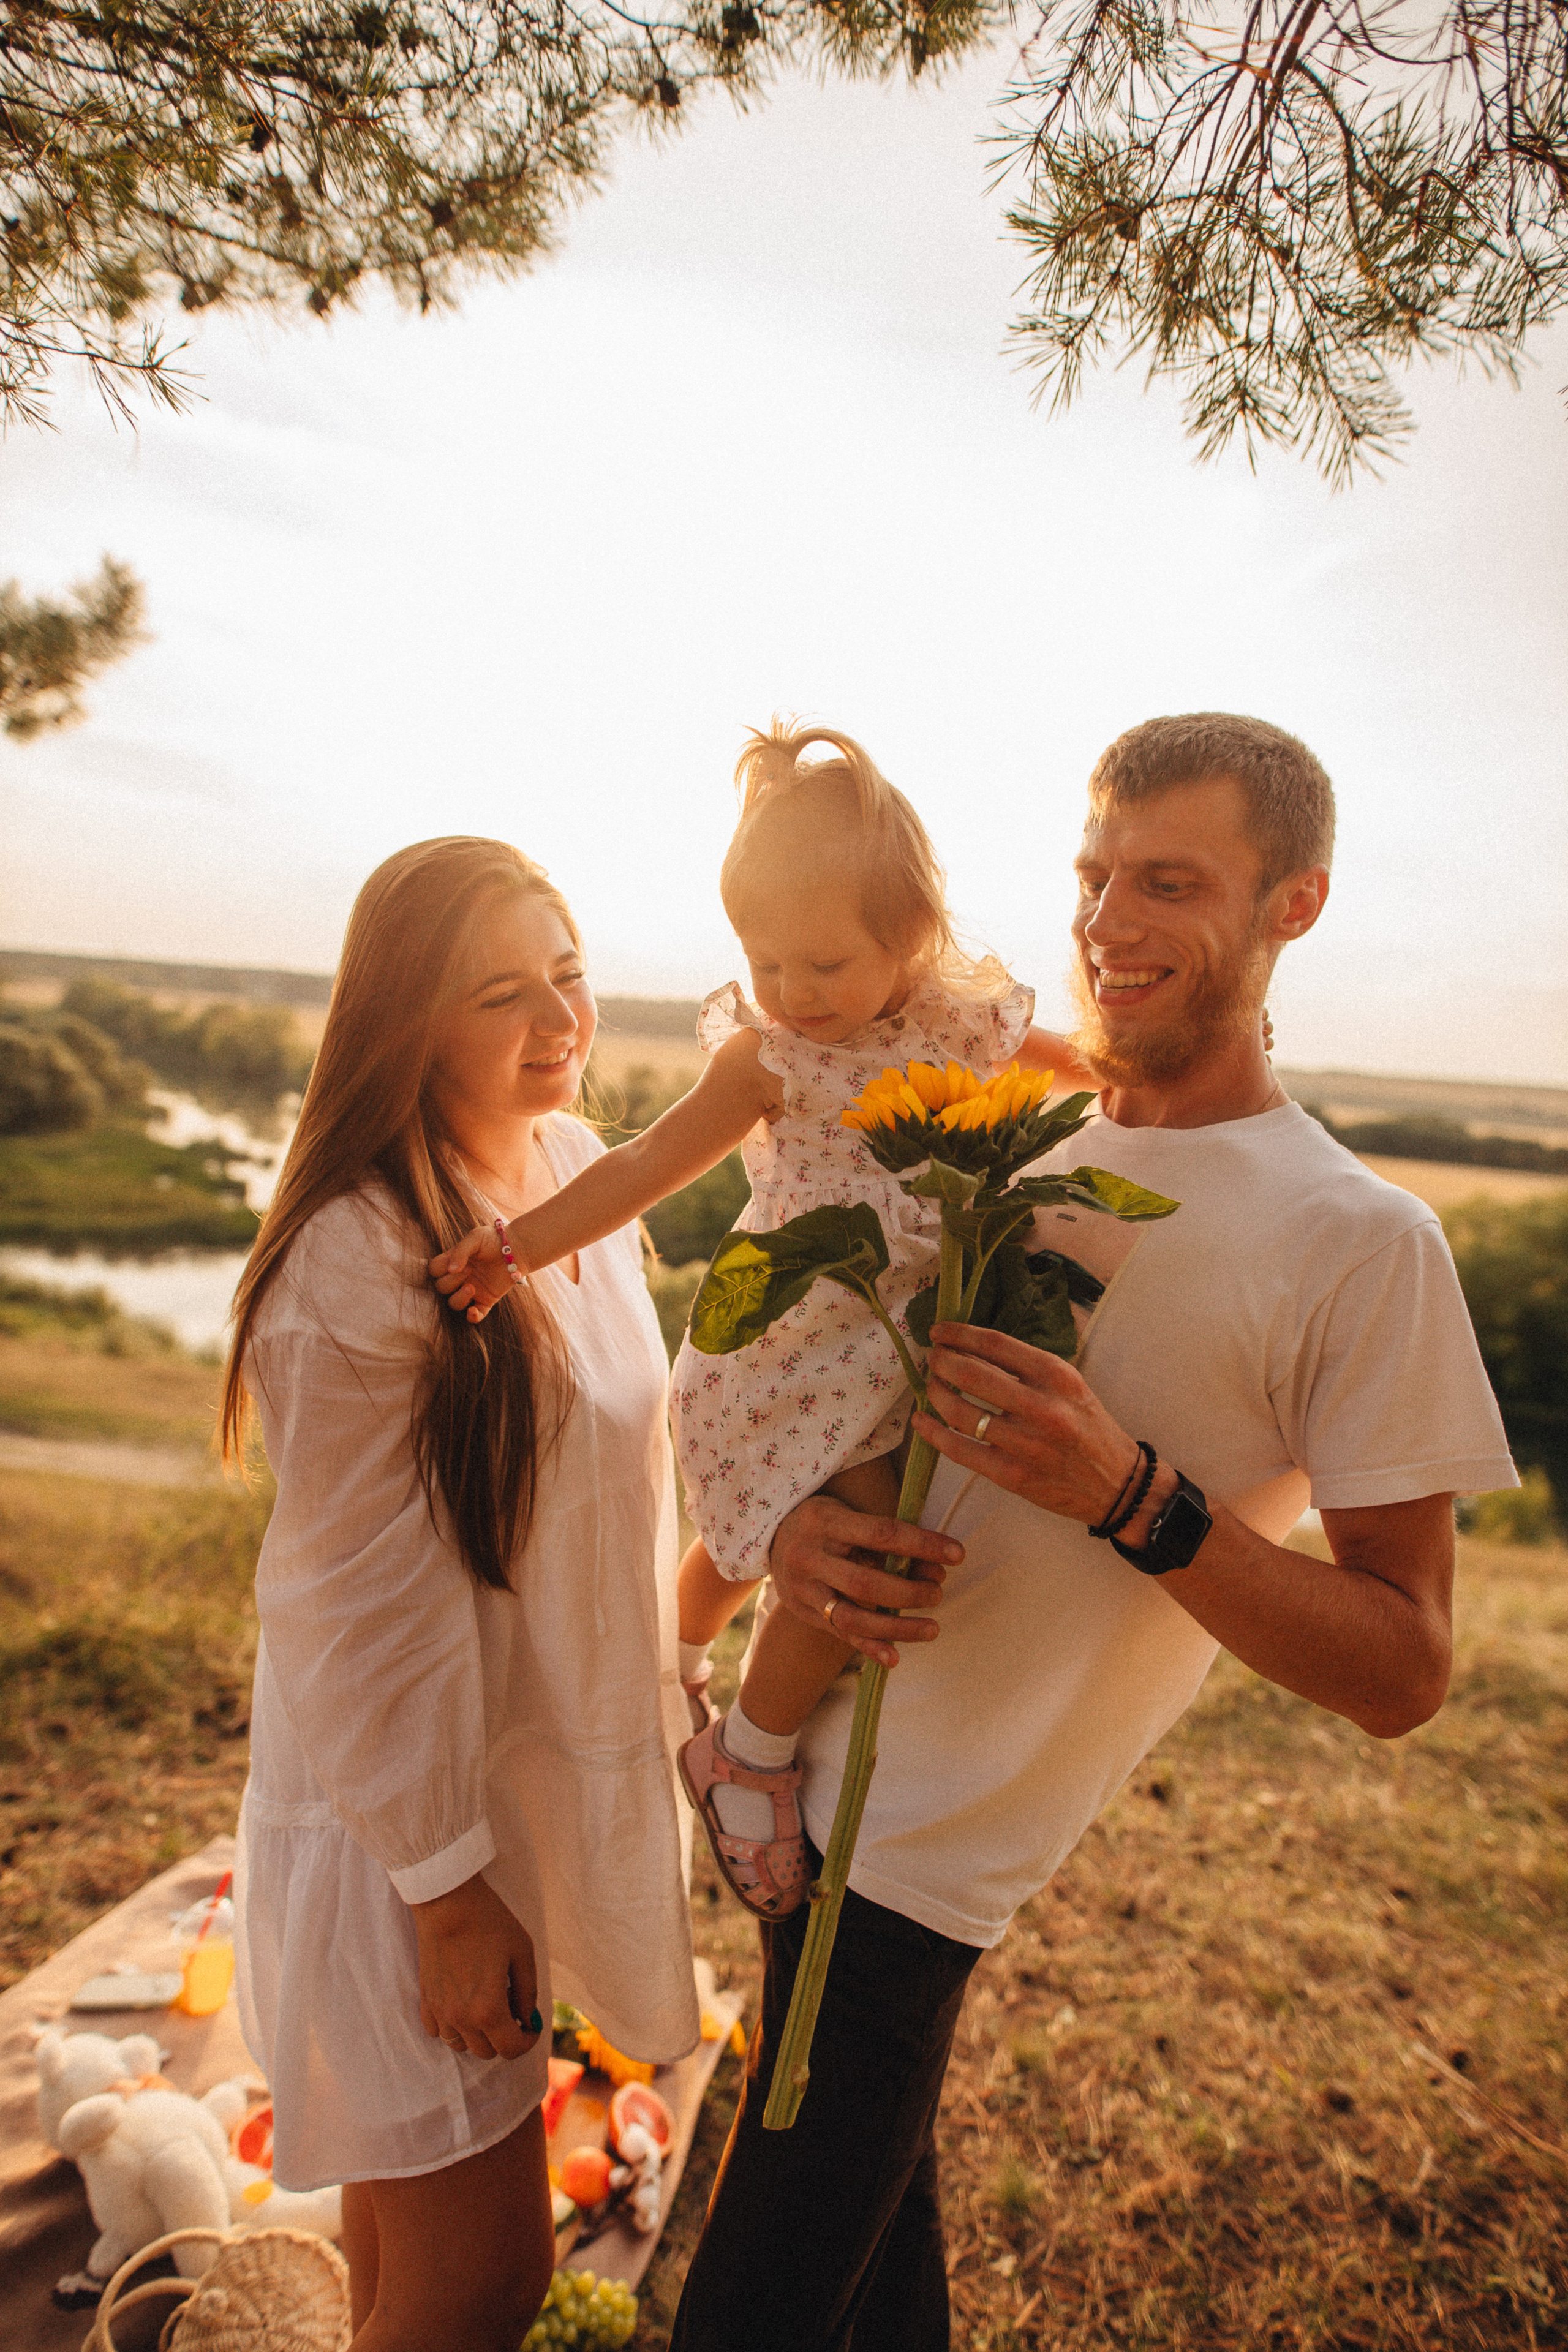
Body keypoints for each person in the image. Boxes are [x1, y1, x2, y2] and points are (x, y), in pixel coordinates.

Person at [667, 712, 1518, 2352]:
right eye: (1094, 874)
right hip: (802, 1805)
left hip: (926, 1866)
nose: (1109, 924)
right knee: (865, 2306)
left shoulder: (1363, 1240)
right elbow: (807, 1387)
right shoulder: (998, 1115)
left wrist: (1133, 1494)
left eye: (1172, 882)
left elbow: (1404, 1666)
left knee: (750, 2317)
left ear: (1298, 905)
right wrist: (779, 1556)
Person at [429, 720, 1097, 1921]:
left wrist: (1145, 1078)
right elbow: (642, 1165)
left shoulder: (962, 1021)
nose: (790, 993)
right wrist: (520, 1246)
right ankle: (749, 1746)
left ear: (911, 934)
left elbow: (1075, 1063)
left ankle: (672, 1653)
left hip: (883, 1349)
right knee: (844, 1548)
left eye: (822, 966)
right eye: (763, 960)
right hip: (781, 1347)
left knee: (752, 1534)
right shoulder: (767, 1057)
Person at [220, 839, 699, 2352]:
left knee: (402, 2233)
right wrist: (442, 1888)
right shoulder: (355, 1254)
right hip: (405, 1830)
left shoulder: (568, 1173)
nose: (559, 1017)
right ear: (403, 1026)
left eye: (567, 973)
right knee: (481, 2280)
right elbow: (351, 1605)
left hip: (504, 1780)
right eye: (503, 992)